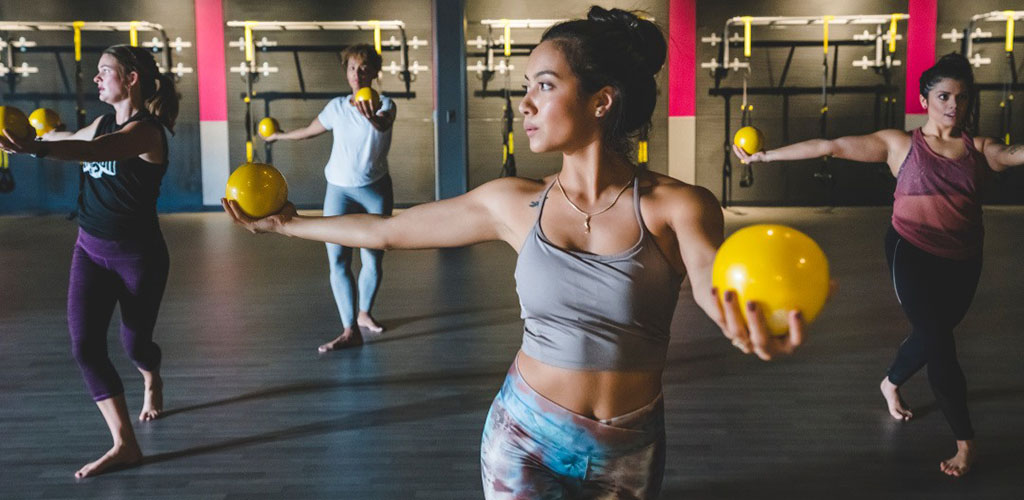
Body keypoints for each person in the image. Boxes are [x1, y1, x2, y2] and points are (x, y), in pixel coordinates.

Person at [225, 7, 806, 498]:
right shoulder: (512, 204)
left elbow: (710, 276)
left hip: (631, 446)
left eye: (545, 85)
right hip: (524, 436)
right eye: (526, 85)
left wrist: (740, 315)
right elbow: (386, 232)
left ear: (602, 101)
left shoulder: (681, 205)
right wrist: (288, 226)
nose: (525, 103)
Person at [734, 53, 1024, 478]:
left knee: (931, 336)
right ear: (926, 98)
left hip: (963, 259)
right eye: (944, 95)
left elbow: (1015, 153)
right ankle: (966, 443)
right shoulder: (900, 145)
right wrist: (764, 158)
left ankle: (891, 381)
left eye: (962, 98)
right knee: (940, 342)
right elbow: (829, 146)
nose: (953, 106)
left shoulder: (980, 151)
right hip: (912, 251)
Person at [1, 46, 179, 478]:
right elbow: (73, 140)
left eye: (104, 72)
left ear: (131, 78)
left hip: (138, 257)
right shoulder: (101, 123)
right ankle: (124, 444)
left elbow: (100, 150)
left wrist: (36, 149)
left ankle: (151, 376)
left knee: (135, 345)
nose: (96, 79)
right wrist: (31, 143)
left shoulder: (147, 133)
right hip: (90, 250)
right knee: (85, 347)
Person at [264, 43, 397, 352]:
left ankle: (364, 313)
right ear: (346, 72)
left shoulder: (385, 104)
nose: (357, 73)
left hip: (375, 190)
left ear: (375, 72)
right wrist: (278, 136)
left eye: (364, 68)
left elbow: (383, 124)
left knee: (373, 258)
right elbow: (310, 131)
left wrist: (372, 117)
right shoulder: (337, 107)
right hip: (338, 189)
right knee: (338, 260)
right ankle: (350, 329)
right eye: (352, 68)